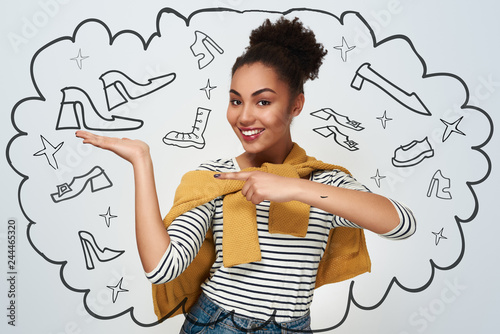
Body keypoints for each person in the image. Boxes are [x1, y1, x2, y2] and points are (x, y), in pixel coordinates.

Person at [76, 17, 416, 334]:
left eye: (263, 102)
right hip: (216, 324)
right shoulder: (215, 179)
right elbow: (162, 268)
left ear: (295, 105)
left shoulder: (321, 182)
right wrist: (141, 162)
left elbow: (401, 223)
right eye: (236, 101)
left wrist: (294, 189)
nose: (245, 116)